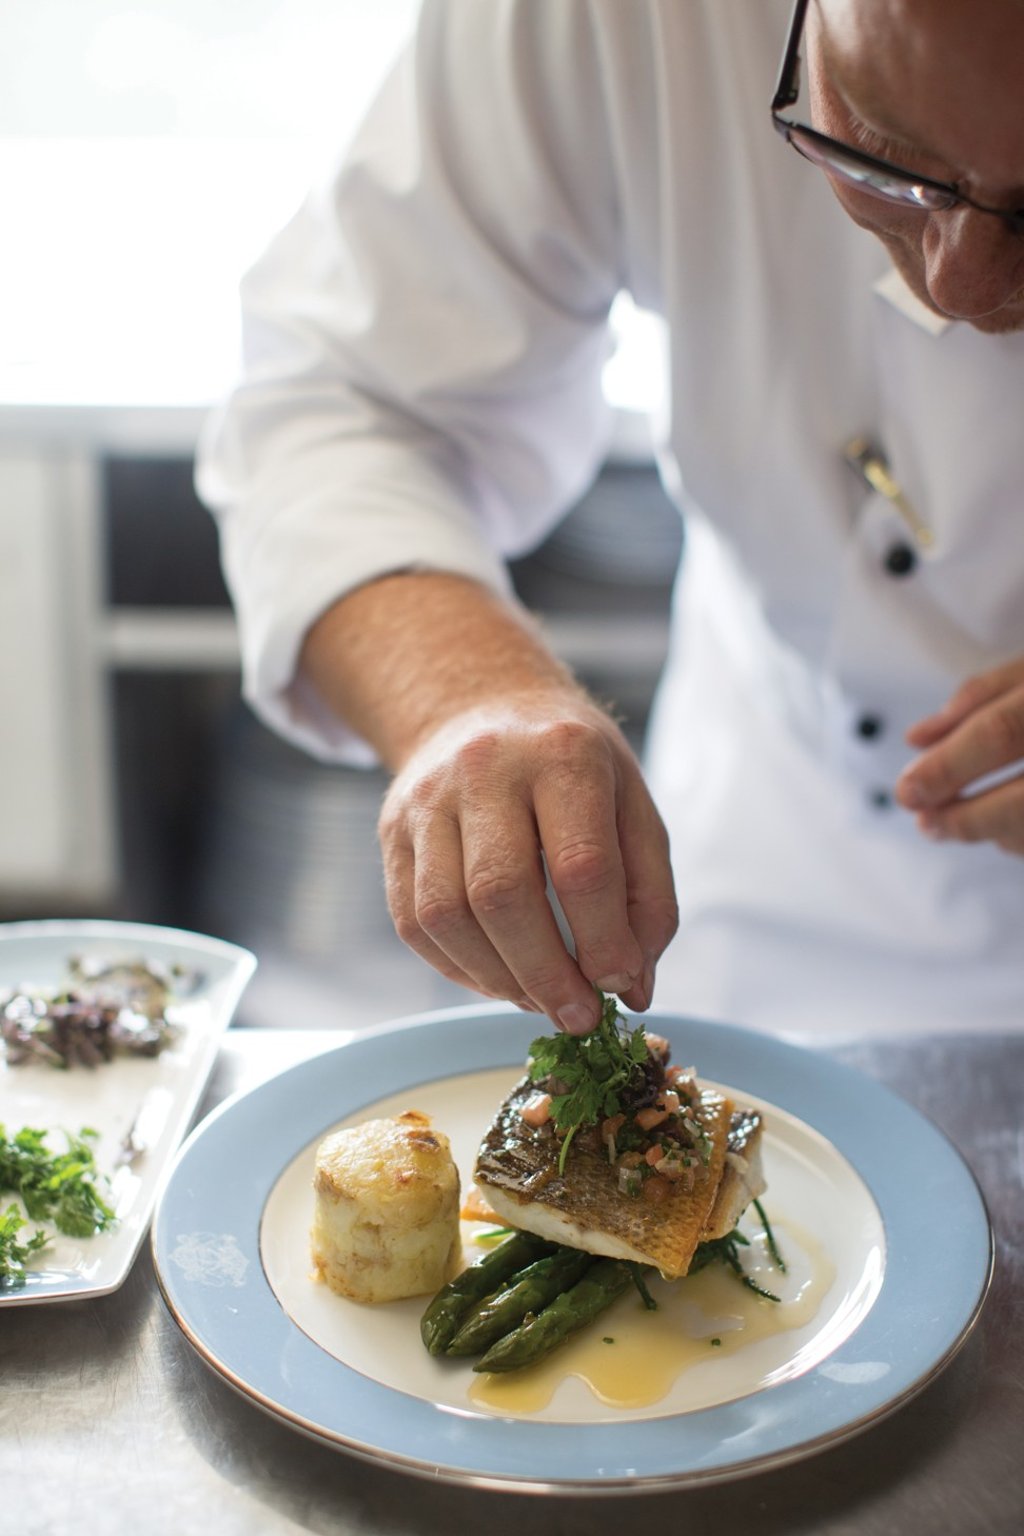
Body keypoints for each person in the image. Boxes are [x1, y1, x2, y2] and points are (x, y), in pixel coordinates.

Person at [197, 0, 1024, 1040]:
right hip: (759, 869)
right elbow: (345, 404)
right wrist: (463, 693)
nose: (960, 286)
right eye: (880, 151)